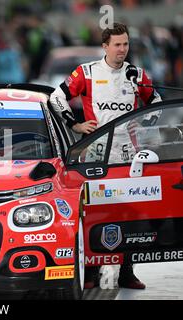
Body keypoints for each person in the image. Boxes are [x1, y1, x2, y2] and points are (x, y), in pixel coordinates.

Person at [50, 22, 162, 290]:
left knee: (129, 213)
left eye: (125, 44)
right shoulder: (86, 72)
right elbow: (55, 98)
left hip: (129, 155)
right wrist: (75, 125)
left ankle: (126, 272)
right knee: (93, 212)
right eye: (117, 45)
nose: (122, 49)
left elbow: (156, 102)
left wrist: (145, 123)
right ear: (105, 46)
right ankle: (90, 271)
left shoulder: (136, 74)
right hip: (96, 154)